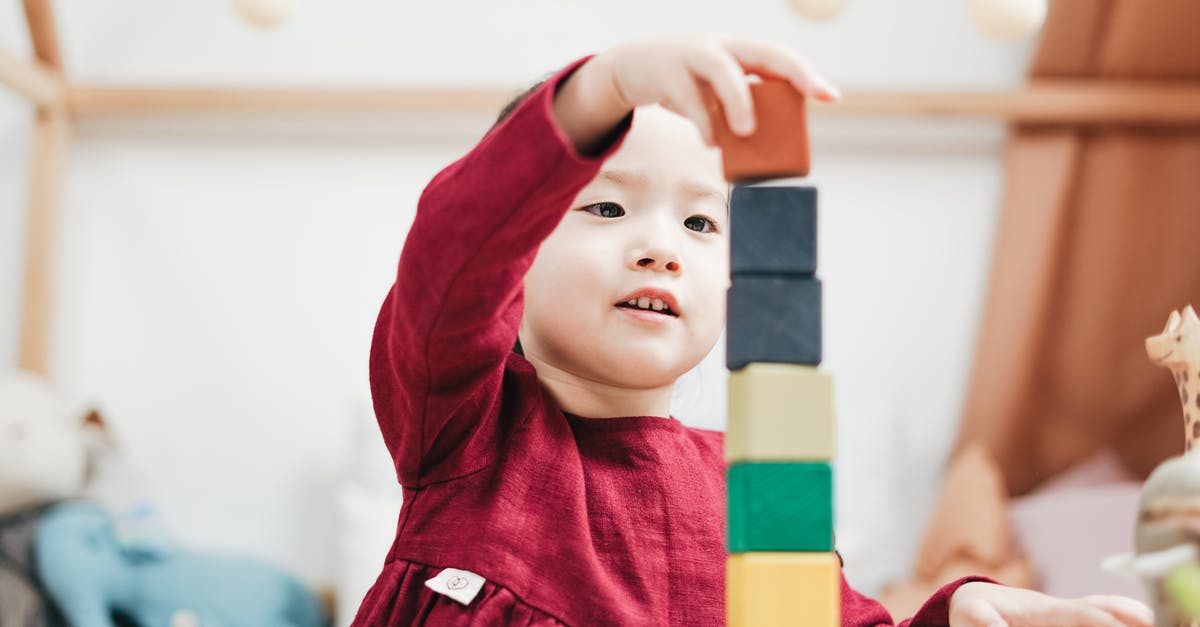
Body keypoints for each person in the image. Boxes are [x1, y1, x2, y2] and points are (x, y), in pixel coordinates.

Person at [353, 35, 1153, 626]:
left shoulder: (758, 484)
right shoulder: (462, 432)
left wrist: (962, 611)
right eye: (605, 206)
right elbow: (454, 247)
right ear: (517, 252)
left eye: (701, 221)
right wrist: (610, 86)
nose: (661, 247)